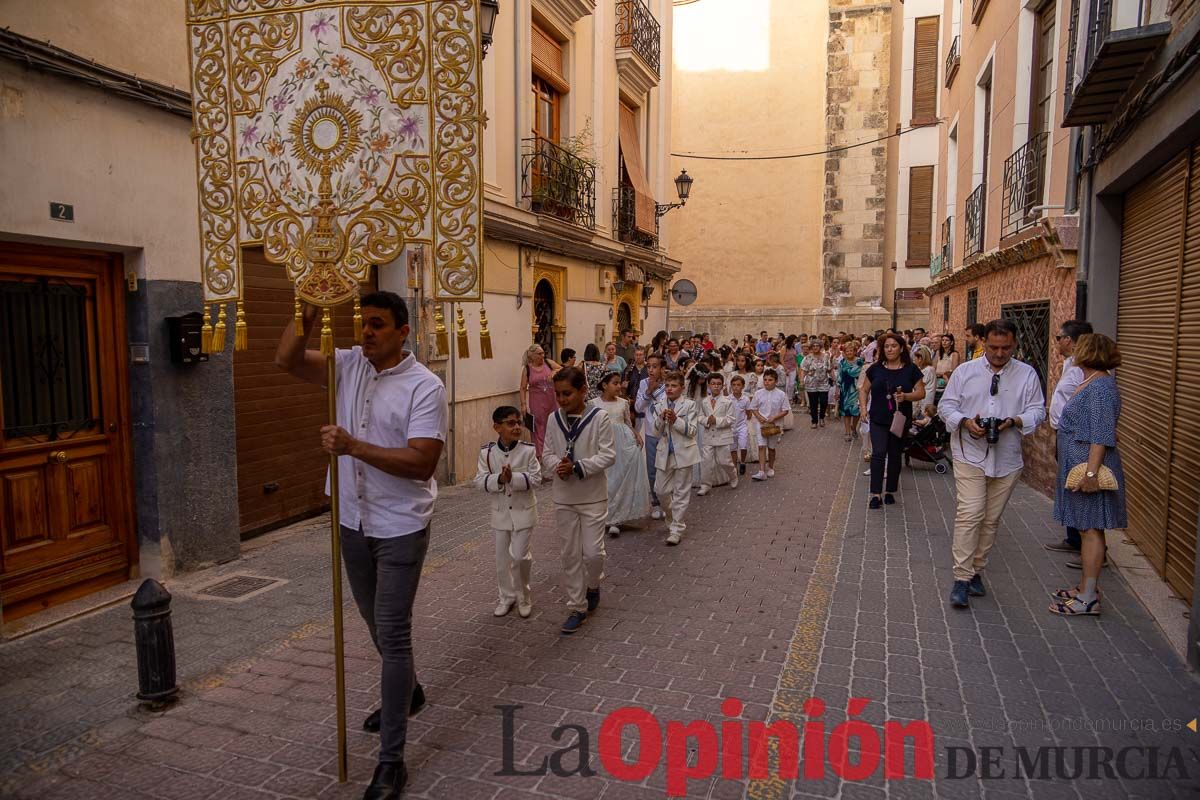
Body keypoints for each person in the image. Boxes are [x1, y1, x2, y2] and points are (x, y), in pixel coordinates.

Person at [275, 292, 445, 800]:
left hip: (400, 527)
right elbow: (284, 359)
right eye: (361, 323)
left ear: (403, 331)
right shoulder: (346, 364)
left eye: (376, 324)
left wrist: (353, 447)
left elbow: (421, 464)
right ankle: (409, 691)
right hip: (350, 521)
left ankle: (391, 762)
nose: (366, 332)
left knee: (392, 635)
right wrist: (306, 310)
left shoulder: (425, 387)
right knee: (373, 623)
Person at [938, 319, 1046, 609]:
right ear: (984, 342)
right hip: (968, 453)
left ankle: (976, 570)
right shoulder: (965, 372)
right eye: (994, 347)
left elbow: (1038, 409)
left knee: (990, 519)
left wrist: (1015, 420)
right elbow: (945, 406)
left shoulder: (1026, 374)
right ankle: (961, 578)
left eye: (1006, 348)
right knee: (970, 513)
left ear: (1015, 344)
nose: (1000, 353)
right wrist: (965, 422)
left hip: (1007, 458)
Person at [1049, 334, 1126, 616]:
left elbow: (1102, 434)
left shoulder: (1102, 387)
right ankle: (1084, 587)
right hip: (1077, 463)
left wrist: (1091, 473)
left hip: (1087, 467)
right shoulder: (1093, 381)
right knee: (1085, 527)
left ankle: (1089, 598)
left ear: (1088, 351)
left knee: (1091, 529)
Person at [542, 367, 617, 634]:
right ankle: (577, 606)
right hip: (564, 497)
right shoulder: (554, 419)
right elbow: (547, 453)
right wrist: (557, 466)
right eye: (558, 394)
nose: (561, 399)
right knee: (570, 553)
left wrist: (578, 467)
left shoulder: (600, 418)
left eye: (567, 394)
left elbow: (608, 455)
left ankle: (593, 584)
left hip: (593, 495)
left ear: (583, 391)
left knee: (593, 553)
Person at [475, 406, 540, 619]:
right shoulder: (487, 453)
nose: (517, 427)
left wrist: (514, 478)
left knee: (520, 557)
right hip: (500, 513)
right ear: (497, 427)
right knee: (502, 560)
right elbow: (479, 481)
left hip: (524, 512)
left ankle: (524, 597)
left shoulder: (528, 450)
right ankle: (506, 597)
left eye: (519, 422)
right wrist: (500, 479)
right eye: (510, 423)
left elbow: (537, 479)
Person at [1045, 320, 1095, 556]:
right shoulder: (1070, 365)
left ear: (1069, 340)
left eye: (1058, 338)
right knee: (1067, 484)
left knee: (1076, 486)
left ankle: (1089, 548)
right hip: (1064, 434)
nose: (1056, 342)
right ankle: (1074, 538)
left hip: (1076, 437)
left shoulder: (1084, 371)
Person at [863, 333, 925, 509]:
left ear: (901, 348)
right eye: (886, 346)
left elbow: (921, 393)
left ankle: (890, 490)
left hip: (899, 419)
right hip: (878, 418)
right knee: (878, 453)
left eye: (894, 346)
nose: (890, 349)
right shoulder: (875, 368)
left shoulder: (911, 369)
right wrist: (862, 409)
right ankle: (876, 494)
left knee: (895, 455)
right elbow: (864, 390)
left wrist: (906, 396)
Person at [592, 373, 650, 537]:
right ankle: (606, 516)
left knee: (620, 479)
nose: (619, 387)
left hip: (623, 444)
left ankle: (617, 519)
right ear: (604, 385)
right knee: (606, 480)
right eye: (615, 383)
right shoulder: (593, 404)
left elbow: (627, 423)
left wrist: (636, 434)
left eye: (619, 383)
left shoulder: (624, 403)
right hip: (603, 444)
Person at [652, 371, 700, 545]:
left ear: (682, 387)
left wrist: (676, 420)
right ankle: (672, 518)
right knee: (660, 490)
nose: (669, 389)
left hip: (684, 453)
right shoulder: (659, 405)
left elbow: (693, 431)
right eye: (667, 385)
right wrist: (660, 418)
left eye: (673, 386)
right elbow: (655, 432)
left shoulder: (689, 405)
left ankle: (677, 529)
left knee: (681, 492)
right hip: (664, 453)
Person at [634, 353, 667, 521]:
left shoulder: (668, 384)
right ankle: (655, 502)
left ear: (662, 368)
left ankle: (667, 500)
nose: (651, 370)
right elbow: (638, 408)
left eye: (655, 366)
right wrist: (648, 392)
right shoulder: (643, 384)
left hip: (666, 432)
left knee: (666, 467)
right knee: (652, 468)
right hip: (650, 432)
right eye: (649, 366)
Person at [697, 372, 737, 494]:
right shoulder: (704, 401)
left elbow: (731, 418)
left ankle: (733, 475)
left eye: (719, 384)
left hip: (722, 436)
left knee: (724, 461)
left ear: (723, 385)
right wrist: (705, 421)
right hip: (708, 435)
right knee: (706, 461)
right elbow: (699, 416)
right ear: (709, 385)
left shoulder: (727, 401)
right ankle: (705, 485)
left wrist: (717, 420)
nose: (716, 386)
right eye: (713, 384)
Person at [520, 344, 561, 457]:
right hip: (537, 402)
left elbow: (561, 368)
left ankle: (553, 453)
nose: (542, 355)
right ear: (532, 355)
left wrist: (554, 372)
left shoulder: (548, 363)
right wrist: (523, 405)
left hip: (552, 400)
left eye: (543, 353)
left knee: (553, 425)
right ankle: (540, 455)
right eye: (539, 353)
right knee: (538, 428)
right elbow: (523, 388)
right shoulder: (527, 369)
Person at [750, 368, 789, 481]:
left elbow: (785, 410)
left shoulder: (781, 394)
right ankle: (761, 471)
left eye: (770, 380)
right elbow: (753, 407)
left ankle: (771, 467)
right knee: (761, 446)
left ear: (776, 381)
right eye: (765, 379)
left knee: (771, 447)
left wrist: (774, 417)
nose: (767, 382)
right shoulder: (758, 393)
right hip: (760, 423)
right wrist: (759, 417)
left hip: (774, 425)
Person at [800, 340, 833, 428]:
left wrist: (835, 380)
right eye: (813, 346)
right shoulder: (807, 358)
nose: (815, 347)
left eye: (817, 346)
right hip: (811, 384)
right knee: (813, 403)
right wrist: (801, 381)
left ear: (820, 347)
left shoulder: (826, 357)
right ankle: (814, 421)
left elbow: (830, 369)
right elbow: (803, 369)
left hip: (823, 383)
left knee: (824, 401)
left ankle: (821, 417)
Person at [838, 339, 865, 442]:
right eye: (847, 351)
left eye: (851, 350)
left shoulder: (860, 361)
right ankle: (847, 432)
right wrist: (838, 389)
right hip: (845, 390)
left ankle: (854, 427)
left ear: (855, 351)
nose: (849, 352)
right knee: (846, 412)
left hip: (858, 390)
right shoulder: (842, 362)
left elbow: (864, 375)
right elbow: (839, 376)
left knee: (857, 412)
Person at [728, 375, 751, 478]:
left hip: (742, 425)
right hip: (731, 426)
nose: (736, 387)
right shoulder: (728, 399)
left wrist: (746, 420)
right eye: (734, 385)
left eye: (738, 385)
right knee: (733, 448)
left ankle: (742, 461)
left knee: (743, 445)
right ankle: (734, 467)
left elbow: (748, 413)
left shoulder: (745, 399)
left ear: (743, 386)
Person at [934, 333, 960, 405]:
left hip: (947, 380)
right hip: (936, 380)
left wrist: (941, 374)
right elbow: (933, 368)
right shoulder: (938, 353)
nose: (944, 342)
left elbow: (953, 370)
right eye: (943, 340)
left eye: (947, 340)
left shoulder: (954, 354)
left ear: (951, 342)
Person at [914, 346, 937, 418]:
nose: (914, 361)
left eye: (915, 359)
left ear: (920, 359)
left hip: (926, 401)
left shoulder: (928, 370)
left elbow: (920, 385)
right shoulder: (922, 369)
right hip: (921, 400)